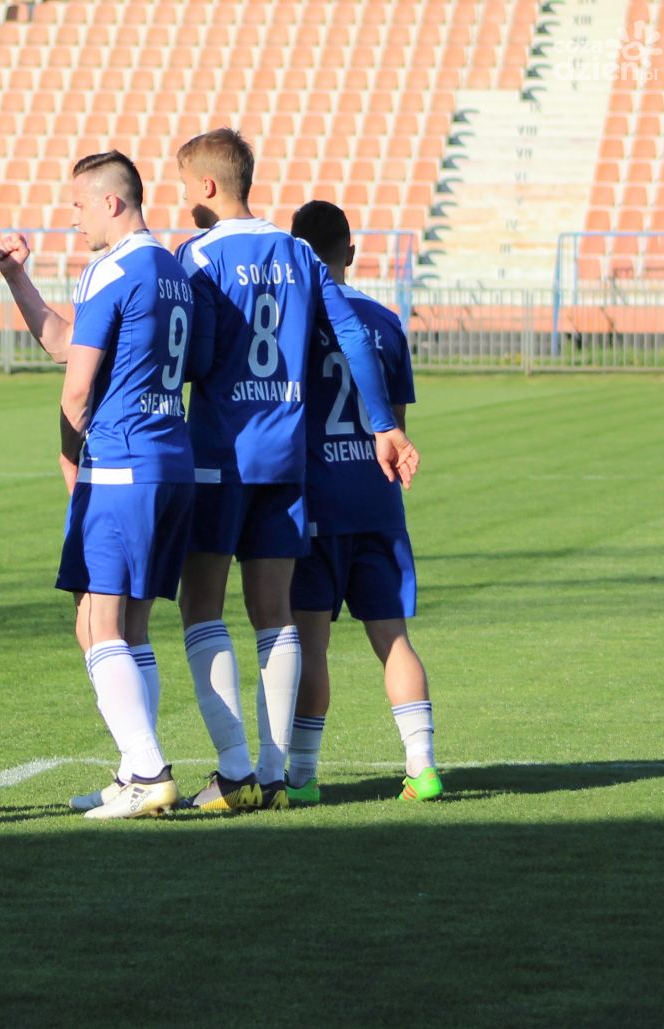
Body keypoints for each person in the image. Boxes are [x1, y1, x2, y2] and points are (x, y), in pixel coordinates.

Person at [173, 129, 420, 812]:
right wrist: (385, 424)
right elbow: (351, 337)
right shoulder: (299, 253)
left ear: (208, 185)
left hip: (221, 452)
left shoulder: (197, 254)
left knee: (201, 604)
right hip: (286, 458)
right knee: (274, 613)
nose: (184, 197)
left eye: (185, 185)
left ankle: (234, 771)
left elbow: (196, 357)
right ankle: (277, 772)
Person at [0, 151, 199, 819]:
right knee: (131, 626)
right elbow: (65, 339)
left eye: (79, 204)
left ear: (112, 202)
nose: (73, 217)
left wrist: (70, 457)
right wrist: (17, 278)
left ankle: (149, 770)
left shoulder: (110, 269)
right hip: (171, 459)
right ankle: (134, 769)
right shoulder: (172, 268)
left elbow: (75, 386)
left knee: (96, 621)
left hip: (120, 464)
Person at [288, 200, 441, 803]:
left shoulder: (292, 324)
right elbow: (394, 426)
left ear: (296, 255)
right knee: (393, 640)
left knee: (311, 646)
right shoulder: (384, 321)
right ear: (349, 253)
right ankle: (422, 766)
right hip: (376, 504)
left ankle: (302, 777)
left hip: (314, 505)